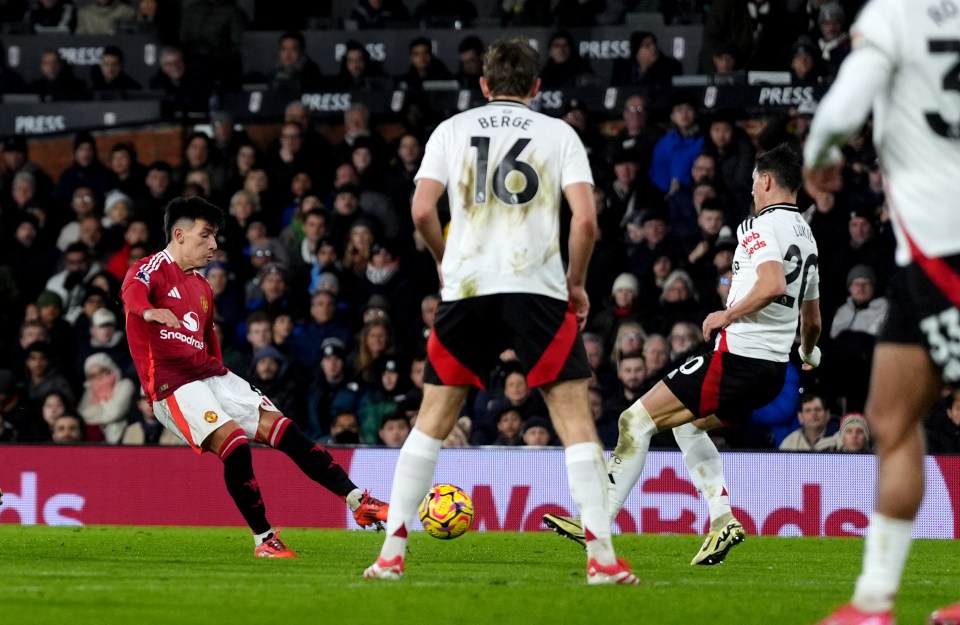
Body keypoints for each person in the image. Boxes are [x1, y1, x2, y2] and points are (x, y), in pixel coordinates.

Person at [362, 37, 638, 585]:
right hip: (537, 289)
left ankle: (391, 553)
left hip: (467, 288)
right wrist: (576, 283)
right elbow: (585, 222)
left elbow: (421, 208)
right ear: (537, 87)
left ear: (483, 85)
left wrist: (445, 257)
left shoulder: (451, 130)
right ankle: (601, 559)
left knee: (432, 421)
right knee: (574, 420)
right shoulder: (559, 135)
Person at [545, 143, 823, 566]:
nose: (751, 191)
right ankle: (722, 519)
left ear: (766, 181)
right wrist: (807, 351)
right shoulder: (808, 236)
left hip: (738, 360)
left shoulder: (757, 227)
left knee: (634, 420)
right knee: (688, 428)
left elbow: (771, 285)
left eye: (753, 183)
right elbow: (813, 319)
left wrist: (726, 313)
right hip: (769, 372)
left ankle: (596, 524)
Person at [802, 0, 960, 623]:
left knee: (893, 425)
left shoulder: (897, 13)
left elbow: (846, 103)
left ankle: (874, 602)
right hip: (923, 260)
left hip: (938, 248)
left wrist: (819, 154)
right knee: (889, 415)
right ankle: (871, 601)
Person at [120, 196, 389, 558]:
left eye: (215, 236)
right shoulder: (153, 267)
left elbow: (208, 339)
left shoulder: (201, 286)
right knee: (235, 445)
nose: (213, 245)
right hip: (173, 385)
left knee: (286, 432)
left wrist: (222, 374)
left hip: (213, 376)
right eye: (206, 235)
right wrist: (149, 312)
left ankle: (358, 501)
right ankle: (264, 539)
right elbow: (131, 292)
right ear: (179, 234)